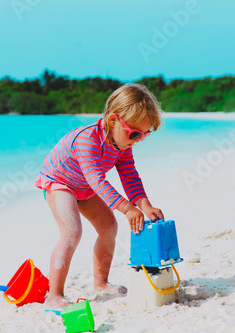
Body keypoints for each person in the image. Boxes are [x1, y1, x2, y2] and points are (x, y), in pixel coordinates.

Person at [34, 83, 166, 309]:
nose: (137, 140)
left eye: (144, 135)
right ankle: (54, 295)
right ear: (113, 120)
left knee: (108, 227)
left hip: (83, 186)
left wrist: (145, 205)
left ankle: (101, 283)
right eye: (134, 133)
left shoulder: (123, 143)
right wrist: (126, 208)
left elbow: (129, 176)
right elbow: (97, 180)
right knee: (72, 232)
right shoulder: (88, 140)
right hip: (59, 182)